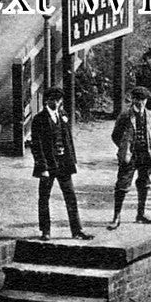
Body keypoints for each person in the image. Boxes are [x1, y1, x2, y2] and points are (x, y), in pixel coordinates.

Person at [29, 87, 94, 241]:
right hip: (48, 164)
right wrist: (42, 167)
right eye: (53, 100)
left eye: (59, 100)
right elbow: (36, 145)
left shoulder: (63, 115)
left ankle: (77, 230)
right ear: (47, 100)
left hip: (63, 163)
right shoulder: (39, 119)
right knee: (44, 197)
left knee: (70, 196)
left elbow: (68, 140)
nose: (57, 103)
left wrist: (72, 161)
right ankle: (45, 231)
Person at [109, 87, 151, 228]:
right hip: (130, 156)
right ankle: (116, 217)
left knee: (144, 183)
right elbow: (115, 135)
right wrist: (124, 148)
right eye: (138, 99)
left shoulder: (150, 115)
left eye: (143, 100)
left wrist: (149, 145)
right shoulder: (125, 115)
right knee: (122, 185)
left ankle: (141, 214)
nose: (141, 103)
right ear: (133, 99)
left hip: (146, 155)